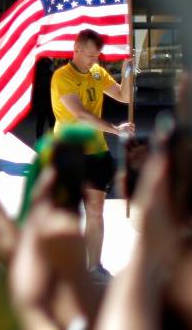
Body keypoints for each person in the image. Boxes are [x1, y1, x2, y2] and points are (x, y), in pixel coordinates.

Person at [50, 29, 134, 279]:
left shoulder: (98, 72)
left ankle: (94, 266)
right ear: (76, 49)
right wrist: (115, 130)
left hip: (97, 153)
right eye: (89, 56)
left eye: (97, 57)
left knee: (96, 209)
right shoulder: (61, 77)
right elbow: (82, 116)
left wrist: (128, 70)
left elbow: (124, 96)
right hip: (69, 153)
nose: (94, 61)